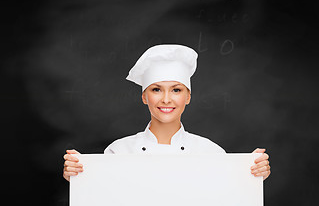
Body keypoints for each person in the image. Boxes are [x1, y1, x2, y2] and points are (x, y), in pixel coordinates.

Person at [63, 44, 271, 182]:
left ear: (188, 97)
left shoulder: (211, 152)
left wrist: (252, 173)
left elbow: (229, 201)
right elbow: (101, 203)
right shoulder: (118, 151)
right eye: (156, 89)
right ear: (144, 97)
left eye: (176, 90)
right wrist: (79, 174)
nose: (166, 99)